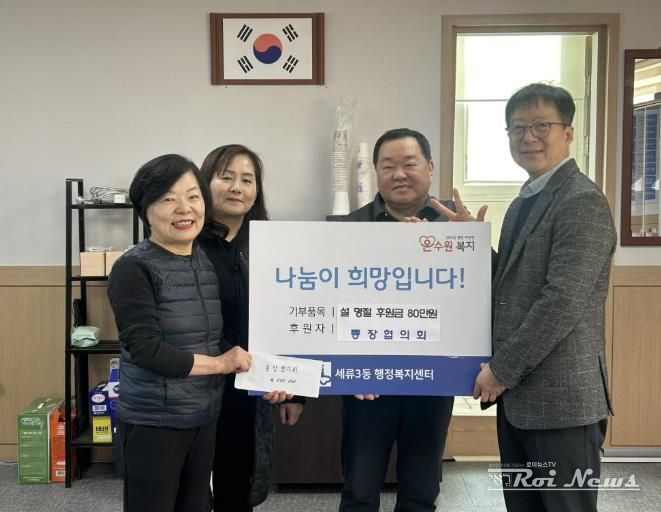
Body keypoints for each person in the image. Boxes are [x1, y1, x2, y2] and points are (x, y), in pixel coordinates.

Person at [437, 83, 616, 512]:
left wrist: (501, 370)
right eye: (517, 128)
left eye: (541, 126)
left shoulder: (582, 201)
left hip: (562, 402)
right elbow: (512, 284)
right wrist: (472, 243)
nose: (528, 137)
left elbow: (561, 302)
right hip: (521, 399)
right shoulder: (524, 201)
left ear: (567, 132)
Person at [107, 154, 252, 512]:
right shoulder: (133, 267)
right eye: (168, 199)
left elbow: (209, 337)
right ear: (145, 210)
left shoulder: (202, 260)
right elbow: (147, 349)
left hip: (202, 415)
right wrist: (220, 364)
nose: (184, 208)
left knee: (196, 505)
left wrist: (252, 363)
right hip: (154, 421)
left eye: (193, 196)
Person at [339, 128, 455, 512]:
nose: (399, 174)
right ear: (376, 172)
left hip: (434, 378)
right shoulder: (349, 229)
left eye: (409, 164)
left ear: (430, 168)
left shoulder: (453, 227)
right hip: (366, 381)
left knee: (421, 491)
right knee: (359, 488)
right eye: (388, 166)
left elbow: (490, 290)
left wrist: (453, 246)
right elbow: (330, 303)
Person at [198, 144, 304, 511]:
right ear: (205, 183)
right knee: (191, 486)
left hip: (251, 385)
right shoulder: (189, 243)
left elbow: (292, 316)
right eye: (225, 177)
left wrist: (296, 391)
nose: (236, 187)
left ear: (257, 190)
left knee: (237, 482)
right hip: (198, 380)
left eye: (247, 179)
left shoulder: (273, 245)